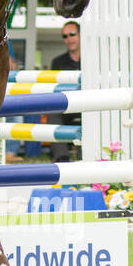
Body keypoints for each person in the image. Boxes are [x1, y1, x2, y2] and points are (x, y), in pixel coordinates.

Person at [49, 21, 81, 162]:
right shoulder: (57, 62)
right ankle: (62, 159)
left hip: (89, 106)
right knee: (53, 112)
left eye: (72, 34)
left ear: (80, 35)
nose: (69, 39)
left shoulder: (93, 58)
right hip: (67, 106)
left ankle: (86, 156)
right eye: (65, 36)